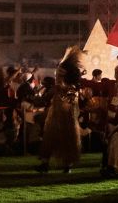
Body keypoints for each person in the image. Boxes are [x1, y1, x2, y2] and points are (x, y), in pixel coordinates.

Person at [35, 46, 85, 174]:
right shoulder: (75, 84)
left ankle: (46, 163)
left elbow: (58, 86)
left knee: (51, 134)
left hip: (59, 109)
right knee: (69, 136)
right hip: (69, 108)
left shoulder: (61, 71)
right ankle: (67, 165)